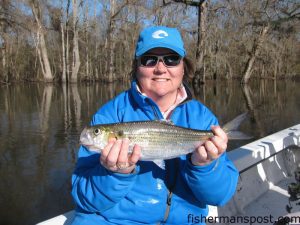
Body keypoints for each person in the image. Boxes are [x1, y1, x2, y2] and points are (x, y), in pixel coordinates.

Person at [71, 26, 239, 225]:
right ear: (137, 67)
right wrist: (115, 174)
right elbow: (83, 198)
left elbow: (219, 196)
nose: (160, 68)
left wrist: (205, 166)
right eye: (149, 60)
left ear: (183, 67)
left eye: (171, 59)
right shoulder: (109, 114)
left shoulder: (202, 118)